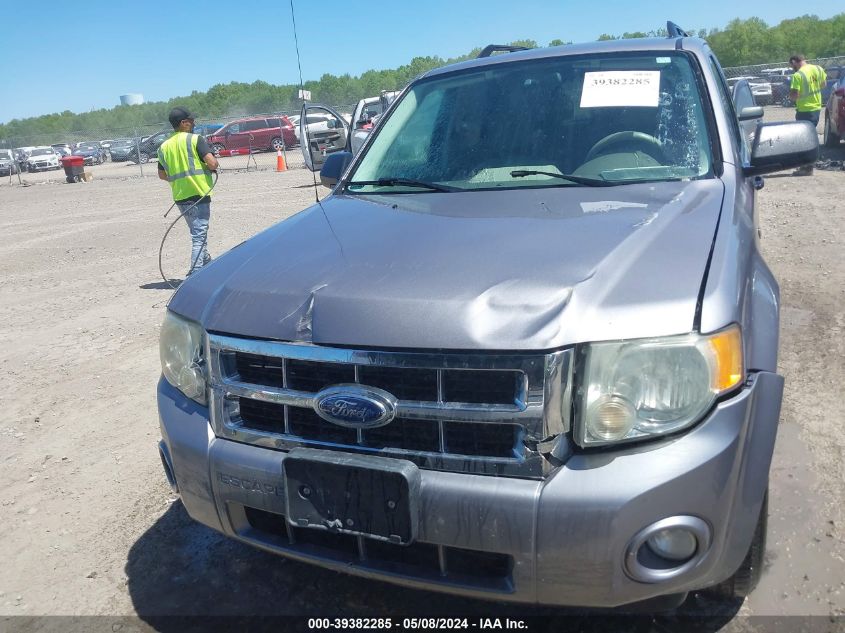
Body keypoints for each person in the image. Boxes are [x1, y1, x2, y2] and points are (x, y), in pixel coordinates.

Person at [157, 106, 219, 275]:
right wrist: (211, 166)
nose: (194, 123)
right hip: (199, 194)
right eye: (191, 121)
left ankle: (208, 265)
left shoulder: (164, 146)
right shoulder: (195, 140)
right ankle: (195, 274)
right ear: (183, 123)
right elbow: (212, 163)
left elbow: (162, 175)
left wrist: (180, 179)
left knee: (197, 233)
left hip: (180, 197)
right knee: (199, 236)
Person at [788, 55, 826, 176]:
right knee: (810, 135)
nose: (792, 68)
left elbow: (795, 95)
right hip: (816, 107)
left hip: (804, 110)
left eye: (791, 65)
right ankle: (808, 165)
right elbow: (823, 84)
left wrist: (791, 97)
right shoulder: (818, 69)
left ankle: (807, 167)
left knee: (804, 139)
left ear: (794, 62)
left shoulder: (798, 75)